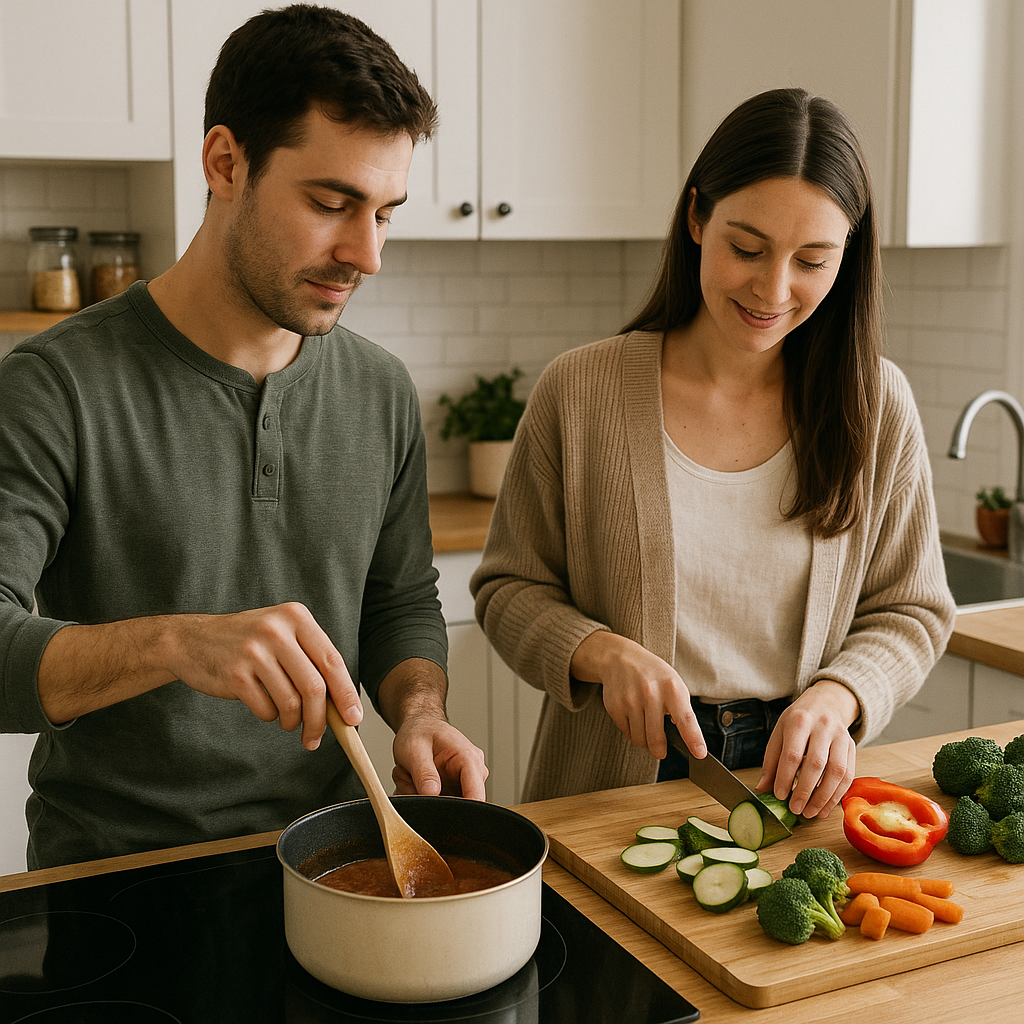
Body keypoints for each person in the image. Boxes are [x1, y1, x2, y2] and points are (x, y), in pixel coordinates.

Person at [0, 4, 487, 870]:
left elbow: (400, 602)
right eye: (334, 204)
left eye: (385, 213)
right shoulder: (56, 385)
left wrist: (419, 710)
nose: (367, 254)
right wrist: (177, 643)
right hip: (119, 875)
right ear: (225, 162)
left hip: (336, 859)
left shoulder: (378, 390)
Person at [471, 88, 955, 819]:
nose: (773, 288)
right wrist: (602, 653)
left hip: (791, 789)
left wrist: (841, 694)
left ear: (847, 259)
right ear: (697, 217)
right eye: (747, 248)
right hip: (605, 786)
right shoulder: (581, 390)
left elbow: (911, 609)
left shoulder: (875, 404)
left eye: (813, 261)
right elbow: (508, 589)